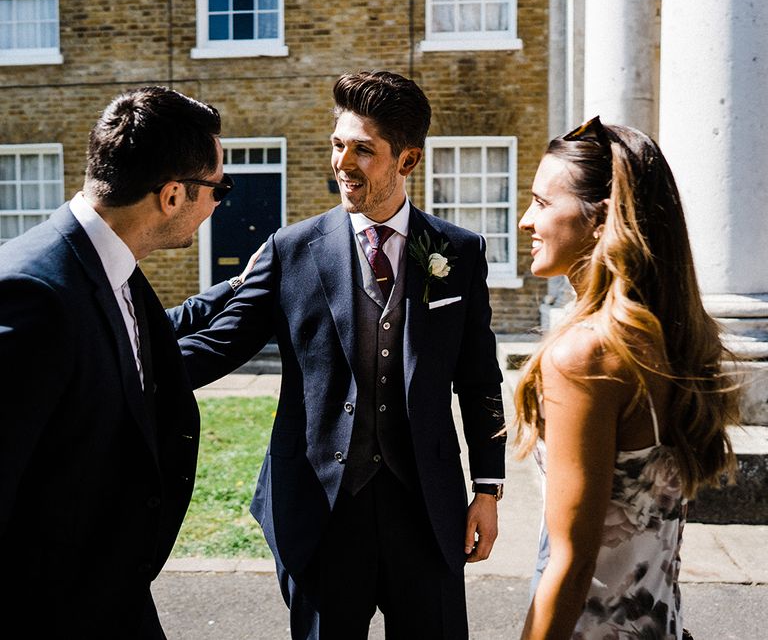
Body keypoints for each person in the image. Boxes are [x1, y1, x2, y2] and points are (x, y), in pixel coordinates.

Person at [178, 70, 507, 639]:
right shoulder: (291, 249)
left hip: (425, 512)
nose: (343, 163)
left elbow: (479, 379)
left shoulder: (459, 251)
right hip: (322, 510)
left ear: (408, 161)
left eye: (363, 150)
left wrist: (488, 488)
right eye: (338, 145)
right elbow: (217, 344)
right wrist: (112, 354)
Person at [0, 86, 244, 637]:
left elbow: (144, 346)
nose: (218, 204)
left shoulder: (111, 265)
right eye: (219, 189)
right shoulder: (30, 294)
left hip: (115, 595)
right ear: (174, 195)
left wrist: (244, 283)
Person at [515, 116, 740, 639]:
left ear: (601, 219)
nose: (527, 220)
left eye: (543, 203)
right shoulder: (667, 338)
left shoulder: (584, 357)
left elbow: (571, 564)